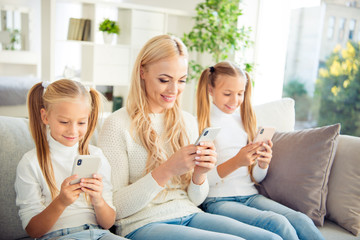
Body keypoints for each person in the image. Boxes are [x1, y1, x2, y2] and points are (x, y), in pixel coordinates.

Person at [98, 35, 282, 240]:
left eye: (181, 80)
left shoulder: (187, 121)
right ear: (142, 72)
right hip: (142, 223)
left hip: (189, 212)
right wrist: (167, 169)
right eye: (164, 80)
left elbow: (196, 199)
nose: (173, 90)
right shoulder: (117, 124)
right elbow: (115, 210)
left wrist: (200, 175)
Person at [196, 61, 325, 240]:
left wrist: (263, 164)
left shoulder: (243, 121)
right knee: (278, 224)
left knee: (301, 219)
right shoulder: (201, 123)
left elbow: (256, 177)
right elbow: (201, 180)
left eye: (240, 93)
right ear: (211, 89)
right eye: (227, 94)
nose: (235, 101)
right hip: (218, 200)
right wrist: (236, 162)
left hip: (250, 195)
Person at [15, 79, 127, 240]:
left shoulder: (96, 156)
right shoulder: (31, 163)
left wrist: (98, 200)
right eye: (64, 122)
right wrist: (61, 202)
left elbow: (108, 223)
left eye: (81, 122)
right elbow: (33, 230)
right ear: (45, 116)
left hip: (99, 233)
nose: (73, 130)